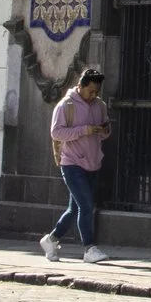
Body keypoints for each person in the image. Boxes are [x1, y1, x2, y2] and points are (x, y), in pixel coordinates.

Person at [42, 67, 109, 263]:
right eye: (90, 91)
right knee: (86, 206)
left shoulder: (100, 105)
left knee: (75, 209)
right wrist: (84, 130)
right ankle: (89, 248)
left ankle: (51, 239)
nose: (93, 96)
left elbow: (106, 130)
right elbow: (56, 133)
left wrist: (104, 130)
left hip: (93, 162)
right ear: (80, 86)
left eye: (96, 92)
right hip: (71, 163)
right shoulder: (66, 106)